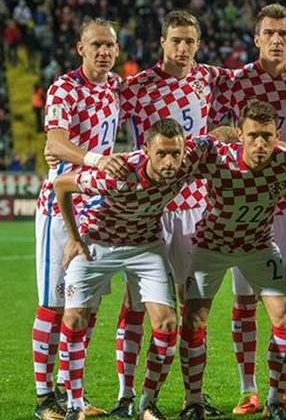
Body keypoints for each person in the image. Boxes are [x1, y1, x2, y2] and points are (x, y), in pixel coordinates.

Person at [209, 4, 286, 415]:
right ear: (257, 38)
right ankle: (248, 390)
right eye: (269, 33)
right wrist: (250, 141)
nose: (276, 39)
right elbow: (215, 131)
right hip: (244, 204)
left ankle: (284, 389)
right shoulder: (236, 82)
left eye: (283, 34)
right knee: (244, 301)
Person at [115, 11, 227, 417]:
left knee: (193, 306)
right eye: (175, 40)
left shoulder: (209, 78)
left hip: (195, 207)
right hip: (148, 208)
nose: (183, 48)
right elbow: (102, 117)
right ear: (162, 42)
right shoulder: (135, 87)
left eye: (190, 41)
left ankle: (193, 397)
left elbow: (255, 74)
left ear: (198, 44)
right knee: (135, 304)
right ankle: (127, 396)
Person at [53, 118, 202, 420]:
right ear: (146, 150)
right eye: (161, 154)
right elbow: (62, 184)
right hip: (98, 243)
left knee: (167, 323)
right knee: (74, 317)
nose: (169, 162)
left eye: (175, 153)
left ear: (184, 151)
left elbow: (216, 142)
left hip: (146, 246)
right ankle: (74, 405)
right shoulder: (119, 175)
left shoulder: (187, 165)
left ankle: (147, 404)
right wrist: (73, 237)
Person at [179, 101, 286, 420]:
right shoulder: (218, 158)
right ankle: (193, 401)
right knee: (193, 319)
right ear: (240, 135)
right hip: (211, 247)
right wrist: (212, 135)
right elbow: (183, 155)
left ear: (277, 136)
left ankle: (275, 400)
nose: (260, 144)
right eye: (253, 135)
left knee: (285, 317)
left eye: (267, 136)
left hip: (257, 246)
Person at [34, 18, 122, 420]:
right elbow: (54, 141)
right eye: (96, 45)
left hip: (98, 210)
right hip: (60, 207)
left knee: (85, 308)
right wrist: (95, 159)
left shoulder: (115, 88)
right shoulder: (64, 87)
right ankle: (43, 398)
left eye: (110, 45)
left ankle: (71, 392)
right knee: (53, 306)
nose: (104, 51)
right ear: (80, 49)